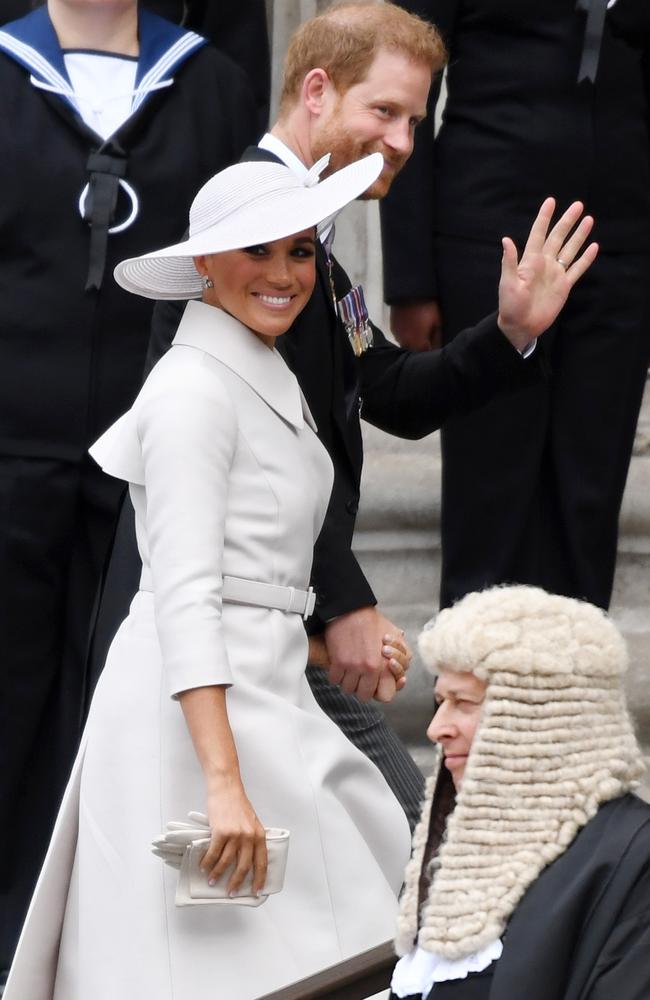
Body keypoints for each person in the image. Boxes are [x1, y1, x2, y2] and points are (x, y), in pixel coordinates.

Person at [88, 0, 599, 835]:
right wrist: (347, 601)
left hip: (284, 629)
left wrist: (509, 334)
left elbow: (385, 389)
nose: (403, 140)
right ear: (316, 90)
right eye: (385, 112)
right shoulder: (239, 232)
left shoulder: (314, 256)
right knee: (394, 844)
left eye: (416, 119)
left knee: (370, 861)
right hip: (219, 639)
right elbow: (253, 461)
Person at [3, 154, 416, 1000]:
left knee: (359, 917)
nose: (283, 274)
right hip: (195, 721)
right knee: (214, 964)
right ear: (204, 265)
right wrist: (222, 783)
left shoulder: (259, 368)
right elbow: (186, 590)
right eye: (256, 252)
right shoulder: (191, 385)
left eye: (300, 252)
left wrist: (317, 640)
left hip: (259, 698)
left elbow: (251, 574)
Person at [0, 0, 258, 977]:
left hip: (149, 466)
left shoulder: (212, 86)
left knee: (124, 721)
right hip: (12, 454)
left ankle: (108, 961)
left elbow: (235, 284)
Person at [381, 0, 650, 611]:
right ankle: (472, 693)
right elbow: (402, 83)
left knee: (590, 488)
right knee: (490, 484)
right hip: (488, 237)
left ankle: (572, 692)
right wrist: (412, 279)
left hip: (622, 247)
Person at [390, 585, 650, 1000]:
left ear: (540, 716)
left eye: (463, 702)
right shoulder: (456, 853)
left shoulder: (632, 859)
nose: (436, 729)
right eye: (440, 701)